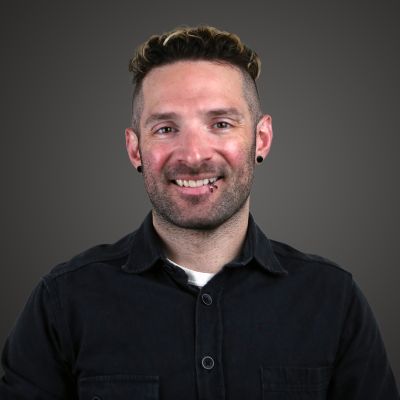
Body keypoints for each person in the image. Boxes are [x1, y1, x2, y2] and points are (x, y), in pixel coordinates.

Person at [0, 26, 398, 400]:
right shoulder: (64, 300)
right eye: (165, 129)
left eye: (221, 124)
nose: (193, 156)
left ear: (261, 138)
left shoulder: (333, 299)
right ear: (135, 149)